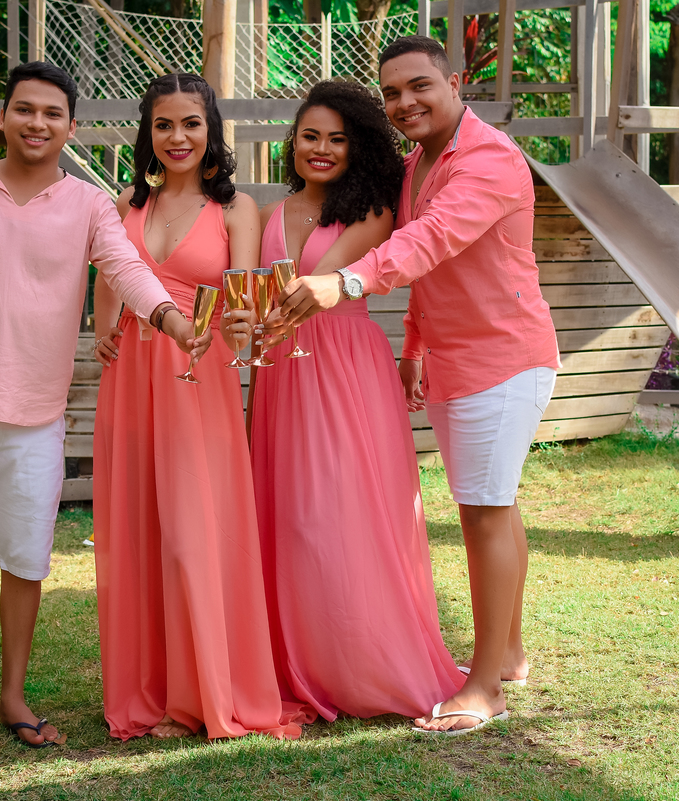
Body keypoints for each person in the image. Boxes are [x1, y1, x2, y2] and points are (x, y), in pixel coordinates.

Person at [0, 61, 207, 748]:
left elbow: (126, 267)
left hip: (35, 414)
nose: (37, 123)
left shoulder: (89, 205)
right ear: (3, 117)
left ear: (71, 127)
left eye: (52, 113)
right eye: (24, 109)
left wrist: (174, 321)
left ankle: (13, 695)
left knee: (24, 556)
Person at [275, 37, 561, 735]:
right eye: (393, 93)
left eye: (420, 86)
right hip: (451, 361)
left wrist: (343, 281)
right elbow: (433, 275)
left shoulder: (489, 160)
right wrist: (413, 349)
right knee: (486, 508)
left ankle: (484, 688)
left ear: (455, 81)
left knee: (486, 509)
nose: (405, 103)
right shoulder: (414, 166)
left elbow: (429, 241)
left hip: (503, 357)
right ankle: (509, 653)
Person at [243, 80, 463, 723]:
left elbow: (315, 286)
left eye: (336, 139)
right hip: (281, 374)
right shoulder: (271, 212)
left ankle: (357, 663)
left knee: (337, 514)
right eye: (310, 136)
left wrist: (263, 309)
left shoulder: (371, 210)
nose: (321, 149)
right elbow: (254, 298)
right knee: (287, 514)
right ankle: (293, 659)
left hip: (342, 367)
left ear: (357, 147)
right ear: (293, 142)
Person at [91, 73, 302, 742]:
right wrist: (102, 328)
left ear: (211, 131)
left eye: (190, 123)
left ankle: (201, 692)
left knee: (190, 535)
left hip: (195, 373)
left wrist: (245, 326)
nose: (177, 137)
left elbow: (242, 305)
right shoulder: (125, 202)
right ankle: (150, 692)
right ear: (147, 133)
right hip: (130, 378)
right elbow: (108, 276)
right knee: (138, 531)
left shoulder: (237, 209)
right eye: (163, 124)